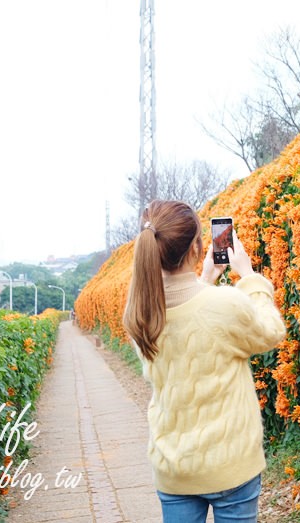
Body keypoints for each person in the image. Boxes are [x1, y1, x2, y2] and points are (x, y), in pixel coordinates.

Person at [122, 200, 286, 523]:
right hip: (231, 466)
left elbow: (188, 319)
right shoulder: (225, 304)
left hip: (175, 467)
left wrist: (205, 279)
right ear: (197, 247)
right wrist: (249, 276)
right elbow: (271, 332)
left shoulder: (141, 316)